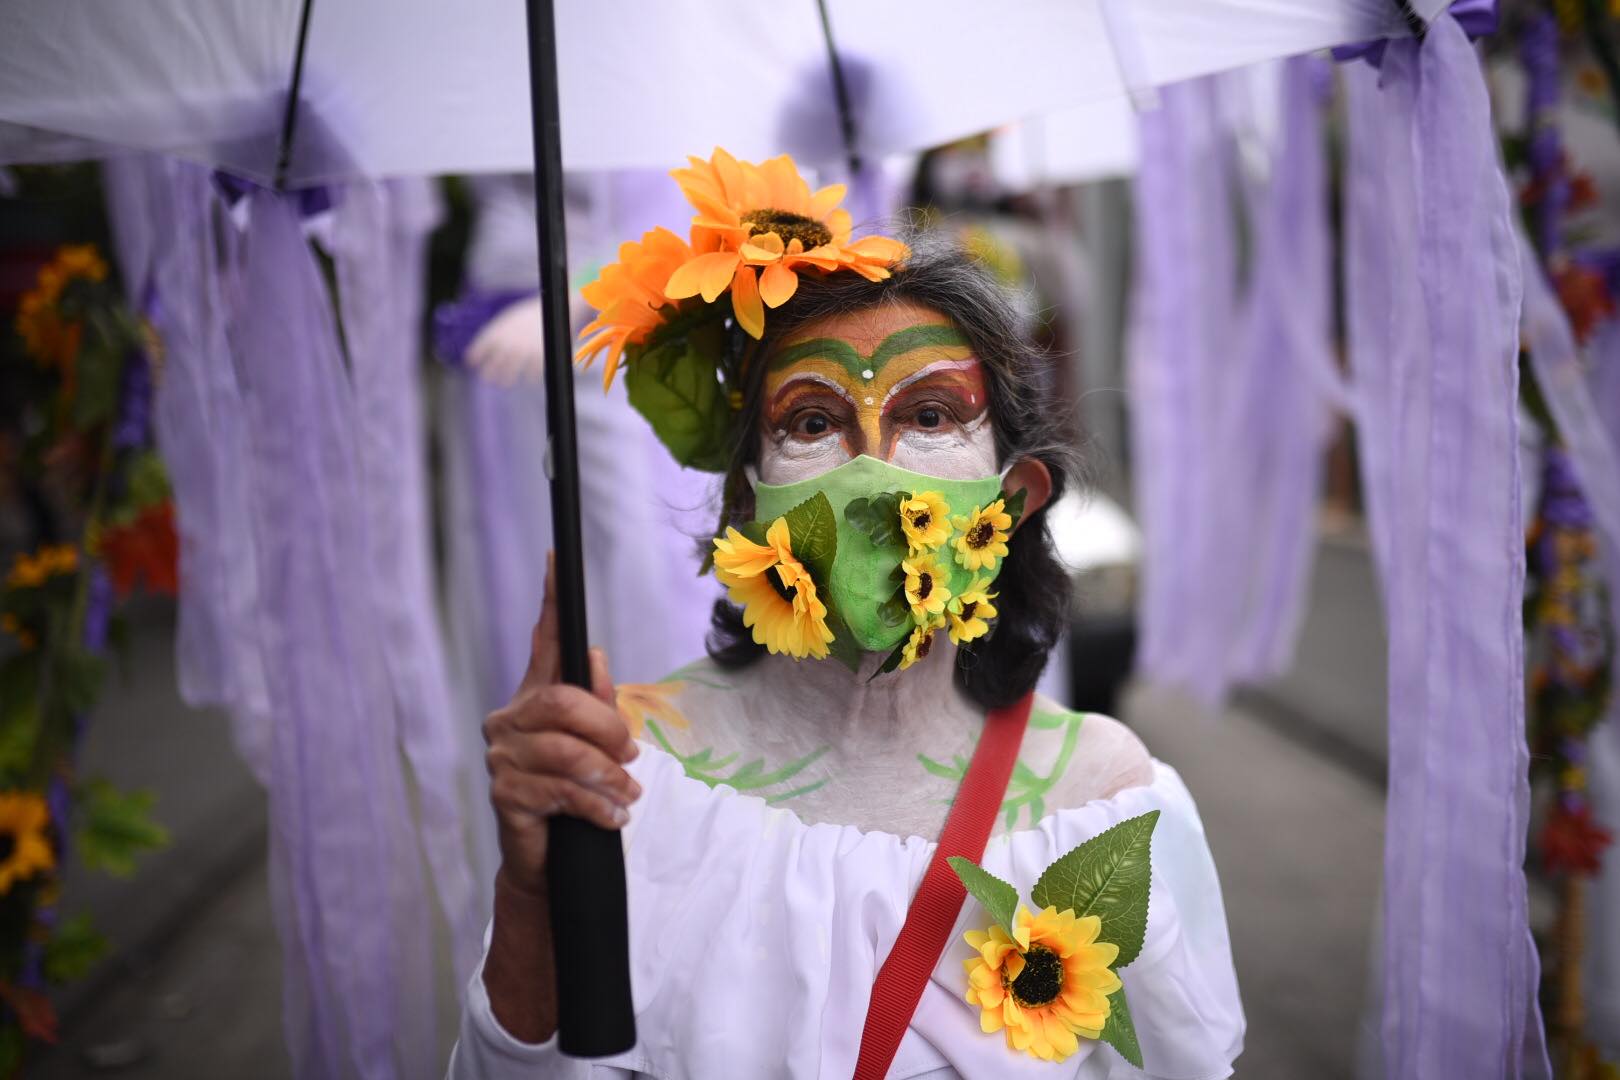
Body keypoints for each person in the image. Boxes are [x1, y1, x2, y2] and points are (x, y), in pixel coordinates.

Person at [449, 149, 1243, 1078]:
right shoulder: (623, 772)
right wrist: (532, 895)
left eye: (934, 416)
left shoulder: (1107, 801)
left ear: (1015, 496)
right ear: (746, 505)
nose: (875, 469)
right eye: (814, 422)